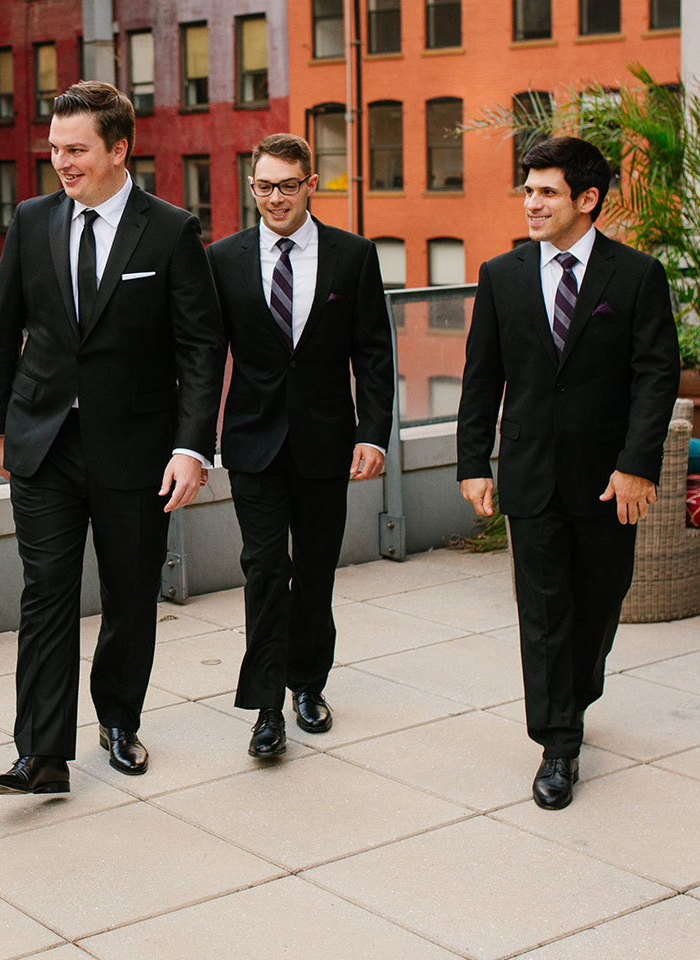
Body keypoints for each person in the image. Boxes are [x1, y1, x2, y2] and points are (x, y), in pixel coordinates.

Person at [0, 81, 225, 795]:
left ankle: (119, 719)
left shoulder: (171, 230)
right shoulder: (30, 221)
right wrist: (0, 425)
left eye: (77, 148)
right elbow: (3, 332)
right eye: (54, 148)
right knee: (45, 593)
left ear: (119, 149)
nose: (61, 161)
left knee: (128, 593)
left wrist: (190, 447)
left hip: (139, 450)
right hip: (44, 443)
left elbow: (200, 350)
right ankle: (42, 754)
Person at [456, 135, 678, 810]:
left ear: (587, 199)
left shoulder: (637, 276)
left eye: (547, 191)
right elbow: (480, 376)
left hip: (610, 481)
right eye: (528, 189)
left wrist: (638, 466)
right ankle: (557, 742)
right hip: (530, 473)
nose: (532, 202)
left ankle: (576, 694)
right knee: (544, 610)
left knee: (599, 605)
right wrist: (473, 463)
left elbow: (655, 376)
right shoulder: (502, 275)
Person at [209, 133, 393, 757]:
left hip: (326, 441)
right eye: (264, 186)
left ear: (312, 184)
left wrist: (374, 433)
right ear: (251, 187)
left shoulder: (353, 255)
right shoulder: (223, 259)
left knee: (314, 572)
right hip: (252, 443)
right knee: (264, 569)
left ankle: (308, 683)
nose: (275, 197)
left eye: (288, 185)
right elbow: (206, 359)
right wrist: (192, 443)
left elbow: (373, 352)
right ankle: (265, 709)